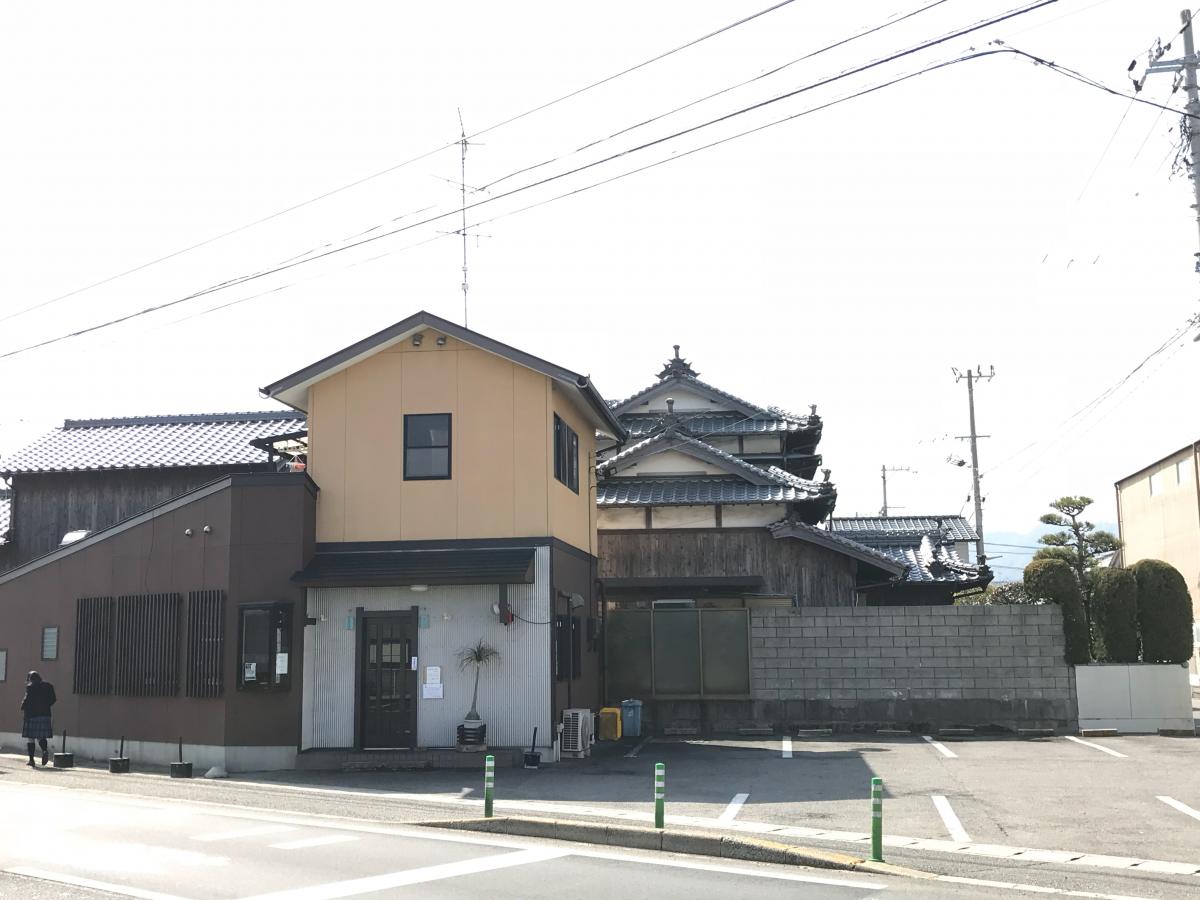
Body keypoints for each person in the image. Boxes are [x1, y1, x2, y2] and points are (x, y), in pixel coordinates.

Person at [21, 671, 56, 767]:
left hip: (32, 715)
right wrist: (46, 706)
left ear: (30, 679)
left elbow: (27, 699)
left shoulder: (30, 687)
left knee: (30, 738)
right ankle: (44, 750)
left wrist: (22, 706)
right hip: (45, 715)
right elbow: (53, 699)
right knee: (41, 736)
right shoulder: (49, 686)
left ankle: (31, 760)